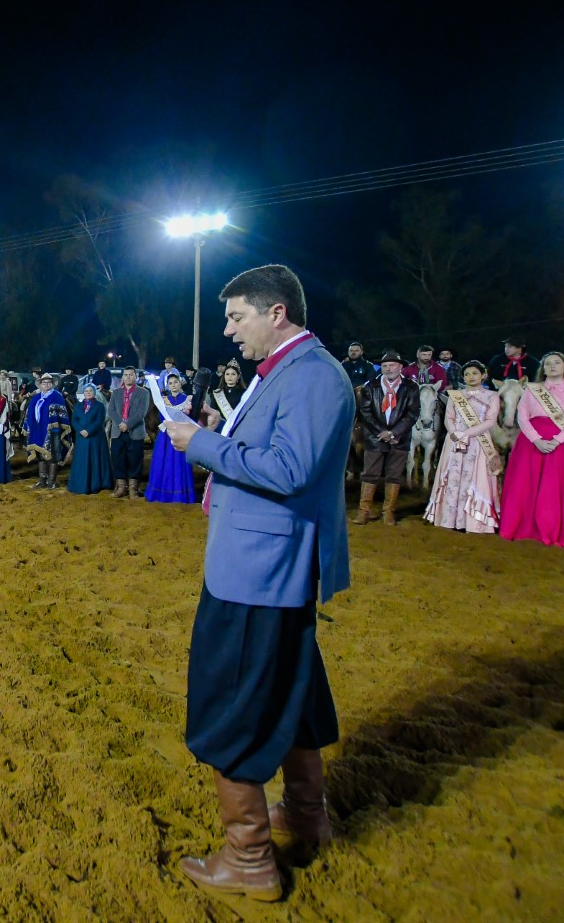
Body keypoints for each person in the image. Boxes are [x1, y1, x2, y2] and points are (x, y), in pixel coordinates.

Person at [160, 264, 353, 903]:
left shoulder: (313, 375)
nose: (227, 329)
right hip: (263, 566)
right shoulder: (294, 373)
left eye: (236, 316)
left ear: (277, 313)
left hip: (261, 574)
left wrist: (202, 443)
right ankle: (305, 814)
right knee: (290, 693)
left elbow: (290, 469)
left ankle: (247, 859)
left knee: (232, 706)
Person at [500, 351, 564, 547]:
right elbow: (522, 416)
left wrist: (558, 440)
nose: (552, 366)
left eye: (557, 363)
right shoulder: (532, 389)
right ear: (543, 369)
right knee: (527, 486)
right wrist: (536, 440)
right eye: (548, 364)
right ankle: (525, 528)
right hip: (532, 443)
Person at [423, 360, 502, 533]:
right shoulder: (456, 395)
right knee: (452, 477)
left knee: (475, 477)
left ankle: (473, 522)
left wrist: (467, 434)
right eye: (467, 374)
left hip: (478, 441)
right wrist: (454, 433)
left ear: (483, 375)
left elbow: (490, 420)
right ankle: (449, 519)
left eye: (475, 373)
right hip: (455, 440)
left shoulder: (492, 396)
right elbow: (448, 418)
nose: (470, 377)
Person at [355, 350, 419, 525]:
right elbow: (366, 412)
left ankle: (388, 511)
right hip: (375, 438)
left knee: (394, 475)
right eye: (384, 366)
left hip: (399, 438)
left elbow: (412, 413)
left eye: (392, 365)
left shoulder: (411, 387)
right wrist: (381, 432)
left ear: (400, 367)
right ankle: (364, 511)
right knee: (370, 474)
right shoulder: (370, 386)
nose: (388, 368)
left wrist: (393, 433)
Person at [146, 372, 198, 503]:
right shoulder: (163, 400)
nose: (173, 385)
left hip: (181, 434)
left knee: (179, 463)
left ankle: (180, 494)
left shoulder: (187, 400)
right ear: (167, 386)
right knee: (163, 463)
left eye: (175, 382)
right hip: (166, 436)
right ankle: (162, 493)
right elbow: (161, 418)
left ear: (180, 383)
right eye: (170, 383)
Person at [106, 366, 151, 499]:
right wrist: (121, 423)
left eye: (131, 375)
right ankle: (121, 487)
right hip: (118, 432)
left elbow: (141, 413)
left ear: (135, 376)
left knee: (135, 460)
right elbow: (111, 410)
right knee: (118, 459)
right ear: (123, 377)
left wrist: (128, 424)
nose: (128, 377)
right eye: (126, 375)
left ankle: (133, 489)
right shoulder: (116, 392)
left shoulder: (144, 393)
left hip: (135, 432)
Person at [65, 383, 112, 494]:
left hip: (95, 438)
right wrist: (80, 430)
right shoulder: (78, 406)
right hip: (81, 439)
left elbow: (99, 420)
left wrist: (89, 431)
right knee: (82, 461)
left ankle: (95, 484)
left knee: (95, 460)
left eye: (90, 391)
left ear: (94, 392)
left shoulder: (100, 406)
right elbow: (74, 420)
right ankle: (80, 484)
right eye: (86, 391)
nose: (88, 393)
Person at [25, 373, 69, 489]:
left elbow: (62, 414)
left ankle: (52, 481)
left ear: (52, 384)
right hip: (37, 430)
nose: (46, 385)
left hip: (52, 430)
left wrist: (57, 426)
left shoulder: (57, 396)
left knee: (53, 455)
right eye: (44, 383)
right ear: (40, 385)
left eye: (49, 383)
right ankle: (42, 479)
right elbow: (30, 413)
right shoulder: (36, 398)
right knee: (40, 455)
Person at [207, 359, 248, 429]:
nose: (230, 377)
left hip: (239, 427)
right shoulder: (217, 393)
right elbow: (213, 413)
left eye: (233, 374)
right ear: (224, 376)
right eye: (227, 374)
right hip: (220, 428)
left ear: (238, 376)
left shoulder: (245, 393)